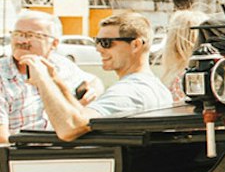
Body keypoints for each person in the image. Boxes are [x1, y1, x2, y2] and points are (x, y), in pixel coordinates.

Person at [14, 10, 170, 142]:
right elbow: (82, 118)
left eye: (106, 42)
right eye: (97, 41)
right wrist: (56, 81)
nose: (98, 49)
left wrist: (43, 80)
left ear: (136, 45)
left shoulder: (130, 91)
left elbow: (69, 128)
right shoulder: (153, 86)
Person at [2, 12, 102, 142]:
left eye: (31, 35)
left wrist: (93, 90)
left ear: (54, 43)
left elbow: (94, 80)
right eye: (17, 34)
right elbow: (2, 139)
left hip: (70, 149)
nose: (21, 41)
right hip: (22, 155)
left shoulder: (61, 65)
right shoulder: (2, 76)